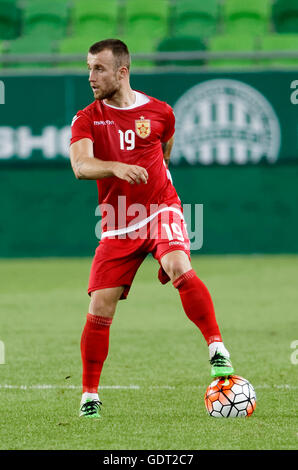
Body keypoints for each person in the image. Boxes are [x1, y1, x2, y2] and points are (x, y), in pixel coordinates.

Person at [70, 39, 234, 419]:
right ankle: (89, 396)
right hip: (117, 223)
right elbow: (81, 166)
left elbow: (165, 149)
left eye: (99, 69)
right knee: (99, 305)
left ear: (122, 72)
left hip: (161, 208)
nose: (91, 77)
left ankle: (216, 349)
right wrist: (116, 167)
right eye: (89, 68)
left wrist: (153, 180)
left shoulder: (160, 112)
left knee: (179, 264)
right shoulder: (87, 118)